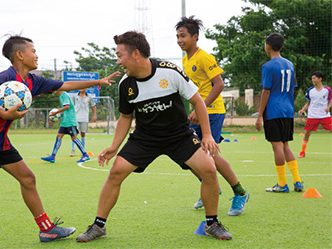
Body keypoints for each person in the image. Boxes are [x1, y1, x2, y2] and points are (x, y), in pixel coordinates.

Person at [0, 35, 119, 249]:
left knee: (28, 178)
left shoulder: (33, 81)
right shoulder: (2, 78)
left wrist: (98, 81)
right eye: (33, 50)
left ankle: (47, 229)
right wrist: (6, 114)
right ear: (20, 55)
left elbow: (66, 84)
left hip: (0, 142)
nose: (37, 55)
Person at [76, 31, 232, 242]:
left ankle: (212, 223)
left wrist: (206, 135)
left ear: (136, 54)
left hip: (179, 135)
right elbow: (125, 117)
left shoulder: (169, 72)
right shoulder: (126, 84)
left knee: (209, 169)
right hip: (145, 138)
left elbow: (198, 101)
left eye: (120, 55)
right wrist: (115, 146)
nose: (118, 61)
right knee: (116, 172)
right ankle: (99, 226)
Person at [175, 16, 249, 215]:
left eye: (183, 36)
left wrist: (202, 108)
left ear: (195, 37)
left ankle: (240, 193)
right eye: (177, 36)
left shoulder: (204, 57)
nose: (179, 40)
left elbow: (220, 84)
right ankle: (210, 186)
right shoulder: (185, 58)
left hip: (213, 112)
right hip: (198, 113)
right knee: (187, 155)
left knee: (211, 156)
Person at [255, 33, 303, 193]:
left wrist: (260, 115)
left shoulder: (267, 66)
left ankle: (282, 184)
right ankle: (297, 181)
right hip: (288, 110)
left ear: (267, 46)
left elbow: (266, 92)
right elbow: (293, 86)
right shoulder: (289, 64)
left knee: (277, 147)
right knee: (285, 145)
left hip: (274, 111)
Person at [41, 90, 91, 163]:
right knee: (58, 136)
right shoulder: (61, 96)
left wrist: (55, 112)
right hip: (65, 121)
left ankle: (85, 154)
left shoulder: (64, 95)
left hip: (70, 121)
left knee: (74, 138)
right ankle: (52, 156)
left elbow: (67, 106)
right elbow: (65, 110)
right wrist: (56, 116)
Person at [298, 71, 332, 158]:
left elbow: (330, 101)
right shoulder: (310, 90)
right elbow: (309, 102)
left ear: (320, 79)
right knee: (307, 133)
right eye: (312, 78)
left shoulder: (327, 90)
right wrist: (302, 110)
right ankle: (302, 151)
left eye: (314, 78)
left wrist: (328, 107)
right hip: (312, 116)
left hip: (325, 115)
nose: (312, 80)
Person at [69, 88, 96, 157]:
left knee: (83, 133)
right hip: (76, 118)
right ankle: (73, 150)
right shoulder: (75, 96)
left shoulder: (89, 96)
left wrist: (94, 115)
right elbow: (71, 106)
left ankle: (82, 150)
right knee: (74, 134)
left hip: (84, 118)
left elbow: (93, 105)